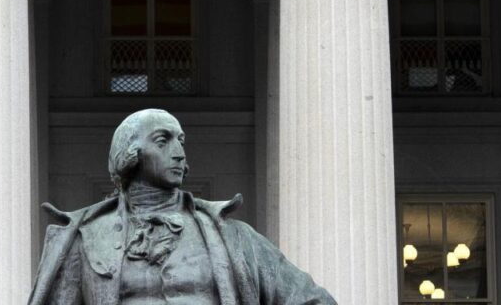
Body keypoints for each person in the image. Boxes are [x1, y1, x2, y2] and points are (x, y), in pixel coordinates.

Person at [28, 108, 337, 305]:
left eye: (181, 141)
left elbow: (312, 300)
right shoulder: (86, 237)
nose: (179, 152)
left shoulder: (233, 236)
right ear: (129, 154)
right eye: (163, 141)